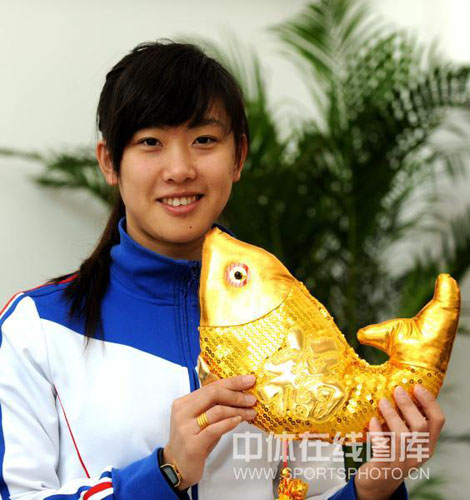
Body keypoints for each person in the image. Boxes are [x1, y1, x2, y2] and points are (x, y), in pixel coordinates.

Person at [0, 40, 445, 500]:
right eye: (150, 142)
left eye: (204, 141)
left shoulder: (288, 319)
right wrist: (165, 472)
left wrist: (374, 487)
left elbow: (309, 490)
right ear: (109, 162)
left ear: (238, 157)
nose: (179, 169)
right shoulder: (36, 330)